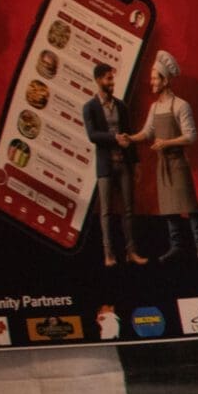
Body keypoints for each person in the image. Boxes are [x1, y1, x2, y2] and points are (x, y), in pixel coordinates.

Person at [135, 51, 198, 262]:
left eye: (155, 78)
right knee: (169, 208)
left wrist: (166, 143)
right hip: (162, 165)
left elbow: (191, 136)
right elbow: (147, 132)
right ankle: (176, 246)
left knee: (190, 207)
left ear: (165, 80)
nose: (151, 82)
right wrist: (129, 138)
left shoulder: (181, 105)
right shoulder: (154, 107)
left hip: (177, 163)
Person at [82, 61, 146, 267]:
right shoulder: (90, 107)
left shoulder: (121, 106)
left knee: (128, 210)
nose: (112, 83)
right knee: (106, 212)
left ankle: (131, 252)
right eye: (109, 79)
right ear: (99, 80)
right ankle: (109, 254)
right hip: (105, 167)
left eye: (112, 78)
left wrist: (136, 162)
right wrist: (114, 138)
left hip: (124, 164)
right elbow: (92, 135)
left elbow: (129, 131)